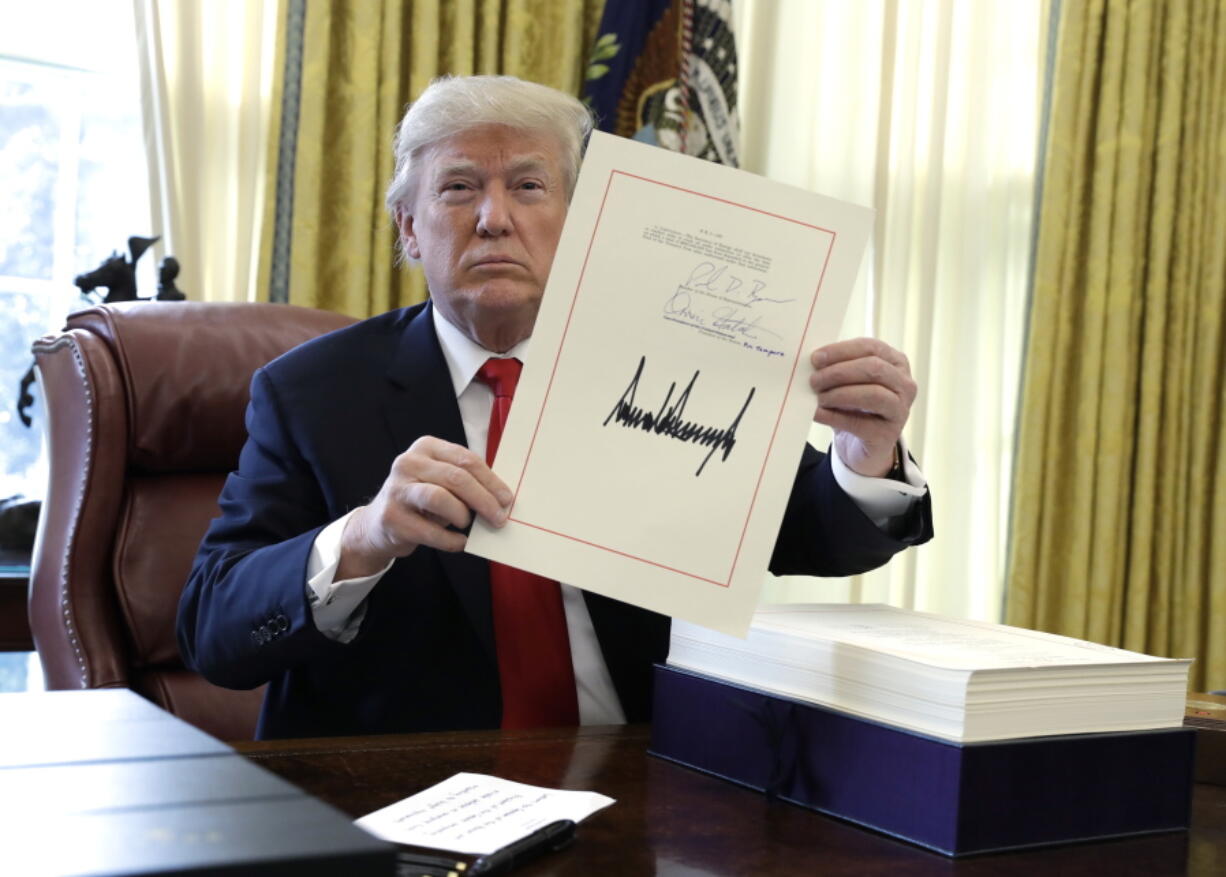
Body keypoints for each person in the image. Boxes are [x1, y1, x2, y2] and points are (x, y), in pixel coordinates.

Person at [178, 75, 932, 740]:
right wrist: (365, 535)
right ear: (409, 228)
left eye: (530, 187)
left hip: (640, 780)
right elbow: (213, 629)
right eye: (458, 187)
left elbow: (811, 531)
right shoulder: (310, 392)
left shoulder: (666, 365)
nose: (494, 218)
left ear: (581, 224)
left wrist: (866, 457)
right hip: (408, 789)